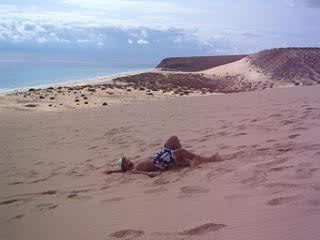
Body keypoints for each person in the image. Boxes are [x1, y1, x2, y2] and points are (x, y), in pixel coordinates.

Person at [105, 136, 222, 177]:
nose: (128, 159)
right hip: (161, 162)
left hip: (160, 155)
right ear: (125, 166)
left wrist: (111, 171)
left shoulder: (133, 164)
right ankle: (209, 159)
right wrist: (152, 174)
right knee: (180, 151)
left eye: (125, 158)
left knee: (173, 138)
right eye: (125, 160)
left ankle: (182, 161)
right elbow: (143, 174)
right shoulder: (134, 169)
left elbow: (121, 171)